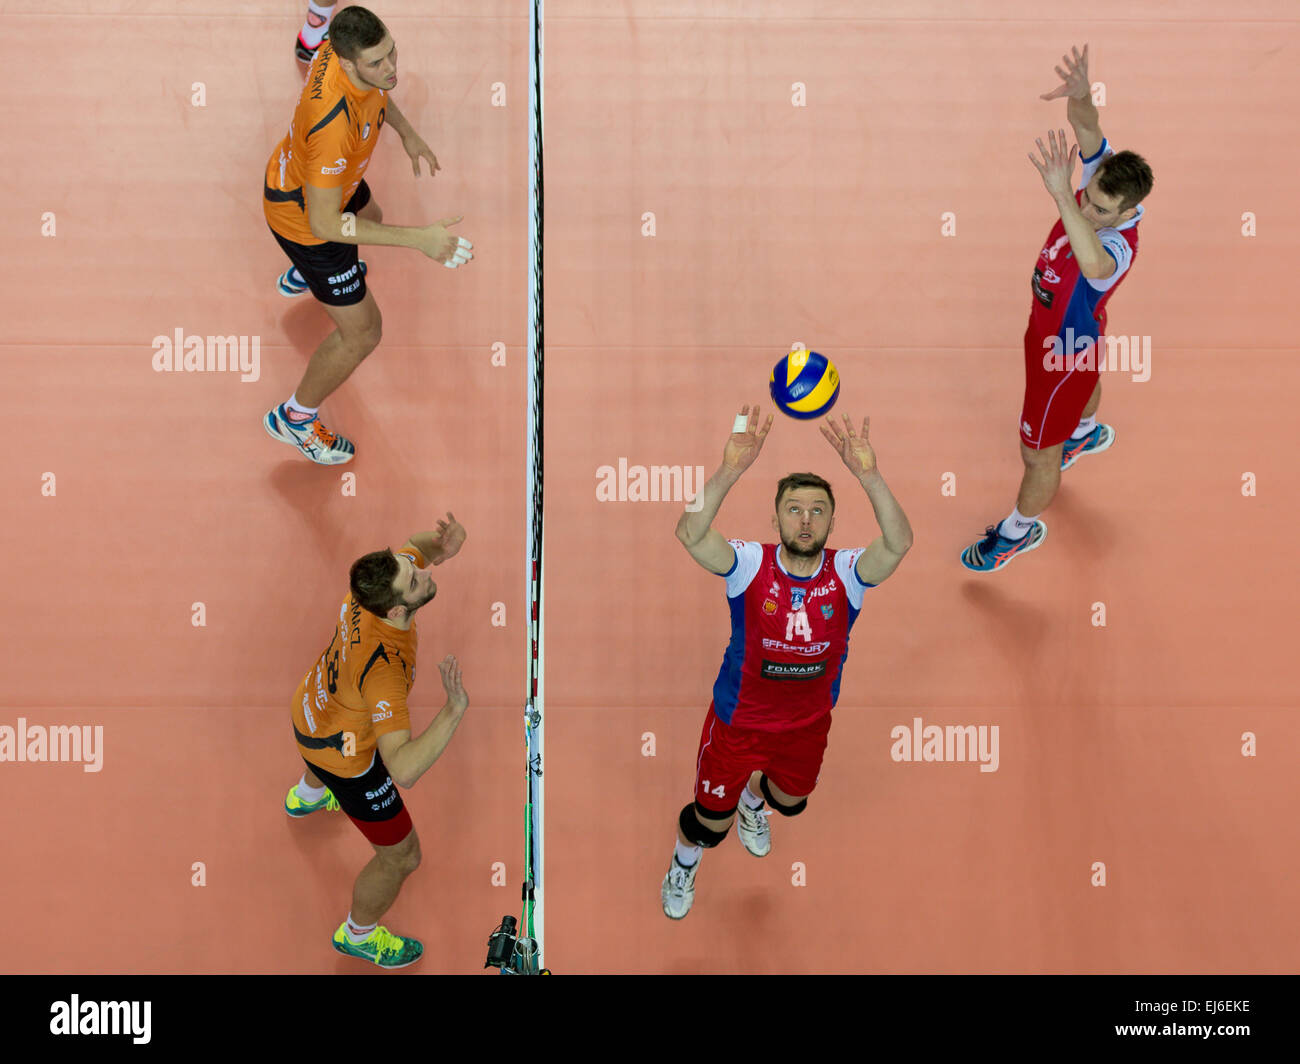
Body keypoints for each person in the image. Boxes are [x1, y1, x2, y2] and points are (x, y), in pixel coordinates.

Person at [663, 406, 913, 919]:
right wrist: (729, 468)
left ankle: (754, 803)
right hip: (739, 725)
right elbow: (689, 533)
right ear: (776, 518)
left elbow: (898, 543)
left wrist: (869, 476)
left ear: (831, 522)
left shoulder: (847, 572)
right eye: (794, 509)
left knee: (790, 801)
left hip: (807, 725)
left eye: (818, 510)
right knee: (709, 825)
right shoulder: (750, 564)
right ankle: (683, 865)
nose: (805, 519)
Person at [960, 44, 1153, 572]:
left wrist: (1063, 196)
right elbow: (1086, 126)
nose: (1089, 207)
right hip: (1065, 330)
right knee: (1086, 380)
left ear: (1129, 213)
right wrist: (1082, 95)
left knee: (1037, 453)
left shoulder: (1118, 247)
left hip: (1060, 354)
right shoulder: (1101, 183)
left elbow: (1092, 265)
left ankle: (1015, 534)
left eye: (1102, 209)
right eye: (1087, 196)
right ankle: (1085, 434)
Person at [262, 6, 473, 465]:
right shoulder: (332, 128)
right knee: (364, 333)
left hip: (333, 183)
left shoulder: (342, 57)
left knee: (372, 214)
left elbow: (378, 91)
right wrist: (420, 239)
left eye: (392, 52)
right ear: (348, 62)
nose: (391, 67)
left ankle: (308, 276)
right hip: (307, 219)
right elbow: (324, 226)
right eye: (377, 62)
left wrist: (407, 132)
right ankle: (295, 418)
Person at [284, 514, 469, 968]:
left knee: (331, 739)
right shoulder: (384, 672)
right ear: (396, 612)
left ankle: (306, 795)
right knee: (403, 858)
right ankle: (358, 935)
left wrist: (441, 549)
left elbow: (413, 546)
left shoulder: (371, 588)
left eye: (413, 569)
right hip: (346, 759)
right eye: (415, 580)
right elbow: (403, 768)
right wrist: (453, 709)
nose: (420, 571)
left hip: (311, 711)